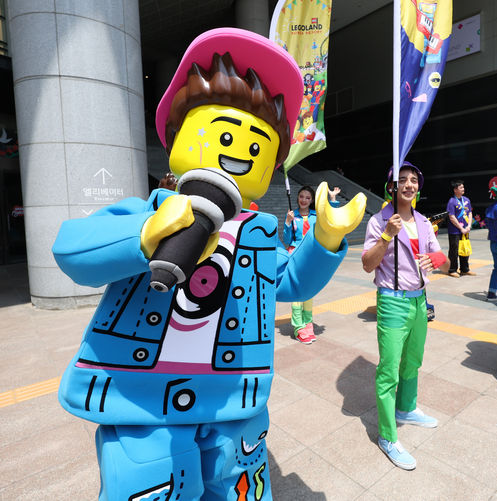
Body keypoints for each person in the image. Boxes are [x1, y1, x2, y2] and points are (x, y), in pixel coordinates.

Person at [51, 28, 366, 500]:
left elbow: (290, 282)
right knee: (153, 486)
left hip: (233, 401)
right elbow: (72, 251)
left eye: (257, 146)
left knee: (238, 489)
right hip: (141, 401)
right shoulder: (150, 212)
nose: (239, 151)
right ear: (176, 138)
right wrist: (143, 235)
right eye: (225, 133)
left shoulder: (257, 232)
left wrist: (324, 239)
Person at [362, 161, 449, 471]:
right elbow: (368, 264)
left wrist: (436, 258)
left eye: (413, 180)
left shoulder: (424, 222)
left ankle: (406, 408)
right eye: (403, 180)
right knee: (389, 370)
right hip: (392, 301)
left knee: (413, 360)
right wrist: (387, 235)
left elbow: (445, 263)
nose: (409, 184)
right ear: (392, 187)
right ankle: (387, 436)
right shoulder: (379, 221)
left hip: (419, 301)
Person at [283, 185, 341, 343]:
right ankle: (298, 327)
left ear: (312, 200)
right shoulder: (292, 215)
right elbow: (287, 240)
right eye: (301, 196)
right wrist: (288, 223)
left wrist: (333, 199)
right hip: (295, 256)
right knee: (297, 292)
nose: (304, 200)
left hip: (311, 257)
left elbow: (330, 219)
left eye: (307, 197)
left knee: (308, 292)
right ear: (297, 197)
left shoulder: (316, 216)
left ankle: (308, 324)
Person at [446, 179, 474, 277]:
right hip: (455, 231)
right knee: (454, 250)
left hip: (465, 230)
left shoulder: (466, 200)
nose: (463, 189)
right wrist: (461, 228)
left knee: (465, 248)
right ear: (455, 190)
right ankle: (452, 270)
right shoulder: (452, 201)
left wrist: (469, 225)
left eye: (463, 187)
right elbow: (451, 216)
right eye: (461, 187)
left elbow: (470, 213)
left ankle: (464, 269)